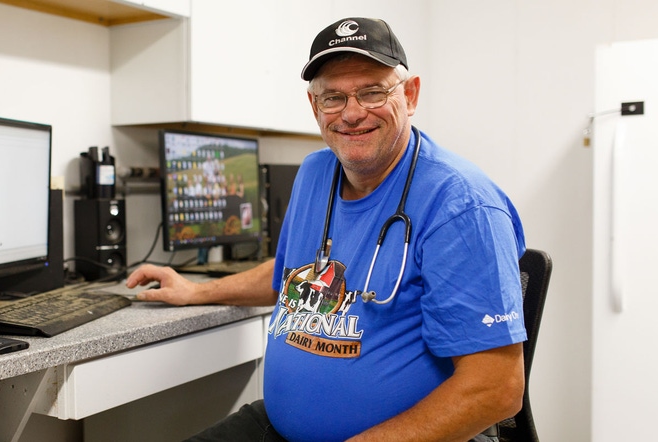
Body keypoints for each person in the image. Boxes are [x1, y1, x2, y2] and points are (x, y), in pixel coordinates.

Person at [127, 17, 526, 442]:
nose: (352, 113)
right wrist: (196, 290)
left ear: (410, 96)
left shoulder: (460, 204)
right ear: (314, 107)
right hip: (279, 427)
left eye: (372, 91)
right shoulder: (316, 173)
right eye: (333, 97)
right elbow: (289, 273)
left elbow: (497, 389)